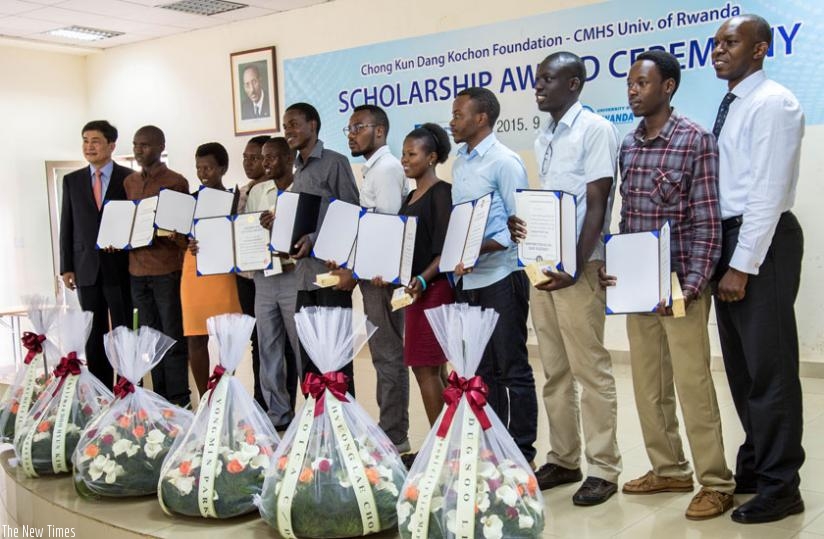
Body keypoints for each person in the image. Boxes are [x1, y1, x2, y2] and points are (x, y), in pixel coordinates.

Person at [599, 51, 734, 520]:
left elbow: (707, 221)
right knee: (648, 385)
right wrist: (615, 263)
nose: (633, 91)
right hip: (637, 284)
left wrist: (693, 285)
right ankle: (669, 468)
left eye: (642, 83)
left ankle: (716, 482)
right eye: (630, 84)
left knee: (694, 384)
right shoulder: (629, 145)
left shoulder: (695, 140)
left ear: (669, 87)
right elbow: (627, 215)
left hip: (680, 285)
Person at [508, 52, 622, 505]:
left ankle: (605, 468)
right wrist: (526, 227)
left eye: (548, 79)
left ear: (574, 84)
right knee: (554, 369)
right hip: (545, 266)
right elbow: (556, 204)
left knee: (590, 369)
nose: (538, 86)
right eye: (537, 79)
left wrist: (575, 265)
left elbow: (597, 202)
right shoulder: (546, 134)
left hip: (580, 265)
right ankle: (565, 457)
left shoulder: (594, 129)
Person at [711, 14, 806, 524]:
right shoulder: (731, 105)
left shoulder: (773, 104)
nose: (720, 50)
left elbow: (767, 194)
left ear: (760, 49)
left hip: (760, 243)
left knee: (770, 373)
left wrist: (742, 265)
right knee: (743, 370)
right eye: (716, 42)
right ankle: (755, 463)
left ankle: (781, 484)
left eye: (732, 41)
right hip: (733, 241)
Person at [449, 87, 537, 465]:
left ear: (481, 118)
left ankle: (521, 449)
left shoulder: (505, 161)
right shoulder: (459, 162)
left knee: (511, 367)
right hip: (467, 282)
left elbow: (520, 228)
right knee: (481, 370)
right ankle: (492, 443)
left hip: (501, 277)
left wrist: (476, 250)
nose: (452, 121)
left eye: (458, 115)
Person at [331, 104, 410, 453]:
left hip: (382, 278)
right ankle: (389, 428)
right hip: (370, 272)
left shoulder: (387, 169)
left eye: (357, 127)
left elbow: (388, 230)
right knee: (382, 354)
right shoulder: (373, 169)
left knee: (388, 354)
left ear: (379, 131)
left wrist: (357, 266)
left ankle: (394, 433)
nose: (350, 134)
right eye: (348, 128)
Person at [281, 102, 360, 384]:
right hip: (302, 278)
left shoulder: (335, 162)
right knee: (310, 359)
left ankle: (342, 424)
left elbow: (350, 214)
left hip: (330, 275)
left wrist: (313, 240)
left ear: (312, 125)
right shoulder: (297, 169)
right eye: (284, 125)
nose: (288, 130)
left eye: (293, 123)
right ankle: (317, 424)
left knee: (336, 359)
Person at [59, 120, 132, 389]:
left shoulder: (129, 178)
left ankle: (128, 386)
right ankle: (100, 391)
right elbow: (66, 224)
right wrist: (66, 266)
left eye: (96, 141)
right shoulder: (72, 180)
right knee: (93, 332)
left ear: (111, 146)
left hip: (120, 265)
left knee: (124, 330)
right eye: (85, 140)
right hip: (85, 266)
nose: (89, 146)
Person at [124, 125, 190, 407]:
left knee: (172, 336)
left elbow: (182, 232)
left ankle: (178, 400)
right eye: (136, 145)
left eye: (146, 145)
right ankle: (157, 399)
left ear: (161, 147)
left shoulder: (176, 181)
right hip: (136, 271)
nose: (139, 150)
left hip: (166, 270)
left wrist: (172, 233)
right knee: (149, 340)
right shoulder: (129, 183)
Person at [397, 123, 454, 427]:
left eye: (411, 154)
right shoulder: (409, 197)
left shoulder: (442, 193)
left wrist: (421, 279)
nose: (405, 159)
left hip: (434, 290)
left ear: (431, 157)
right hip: (414, 292)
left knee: (424, 368)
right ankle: (450, 443)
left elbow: (445, 250)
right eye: (403, 154)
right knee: (434, 369)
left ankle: (440, 447)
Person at [181, 142, 242, 396]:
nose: (203, 173)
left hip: (225, 272)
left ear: (223, 168)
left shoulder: (235, 198)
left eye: (208, 167)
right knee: (196, 335)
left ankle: (225, 392)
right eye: (198, 168)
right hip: (194, 269)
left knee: (228, 336)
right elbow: (178, 235)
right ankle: (206, 395)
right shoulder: (189, 201)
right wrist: (186, 240)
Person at [252, 137, 302, 431]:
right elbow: (246, 229)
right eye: (263, 158)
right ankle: (278, 414)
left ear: (288, 158)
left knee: (299, 346)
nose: (266, 163)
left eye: (271, 158)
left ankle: (312, 411)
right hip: (263, 276)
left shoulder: (302, 187)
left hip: (293, 273)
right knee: (267, 347)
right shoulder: (258, 191)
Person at [236, 135, 274, 411]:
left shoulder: (278, 190)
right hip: (245, 276)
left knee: (272, 340)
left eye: (255, 158)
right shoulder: (242, 192)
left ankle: (274, 400)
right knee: (255, 339)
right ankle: (260, 399)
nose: (249, 163)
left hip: (271, 275)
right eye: (246, 158)